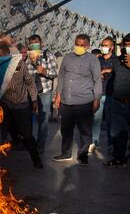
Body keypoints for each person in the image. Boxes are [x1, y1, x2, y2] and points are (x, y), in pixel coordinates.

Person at [53, 34, 102, 166]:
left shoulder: (93, 60)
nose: (78, 47)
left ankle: (83, 155)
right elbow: (61, 76)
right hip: (66, 101)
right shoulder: (68, 57)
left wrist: (97, 99)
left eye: (82, 45)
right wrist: (58, 95)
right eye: (77, 44)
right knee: (66, 129)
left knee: (84, 131)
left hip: (84, 102)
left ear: (87, 46)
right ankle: (65, 153)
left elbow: (97, 79)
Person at [0, 37, 43, 168]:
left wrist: (34, 100)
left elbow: (30, 83)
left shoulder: (19, 65)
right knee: (5, 129)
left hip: (21, 104)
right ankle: (4, 156)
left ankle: (36, 159)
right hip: (6, 104)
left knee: (27, 134)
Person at [25, 34, 58, 155]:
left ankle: (40, 146)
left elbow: (55, 73)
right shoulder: (28, 57)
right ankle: (28, 142)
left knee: (43, 120)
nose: (34, 46)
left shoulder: (48, 55)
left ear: (41, 43)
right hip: (30, 92)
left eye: (36, 43)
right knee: (27, 119)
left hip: (44, 91)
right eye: (31, 44)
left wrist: (44, 71)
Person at [103, 33, 130, 168]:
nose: (127, 48)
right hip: (117, 102)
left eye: (129, 46)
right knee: (116, 133)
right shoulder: (118, 60)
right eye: (125, 45)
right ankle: (118, 158)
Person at [90, 37, 115, 153]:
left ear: (112, 47)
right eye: (103, 45)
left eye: (106, 45)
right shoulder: (98, 60)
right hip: (99, 93)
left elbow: (118, 72)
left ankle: (111, 144)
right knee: (96, 119)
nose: (104, 47)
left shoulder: (116, 60)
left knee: (111, 121)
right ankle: (95, 142)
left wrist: (106, 71)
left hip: (111, 94)